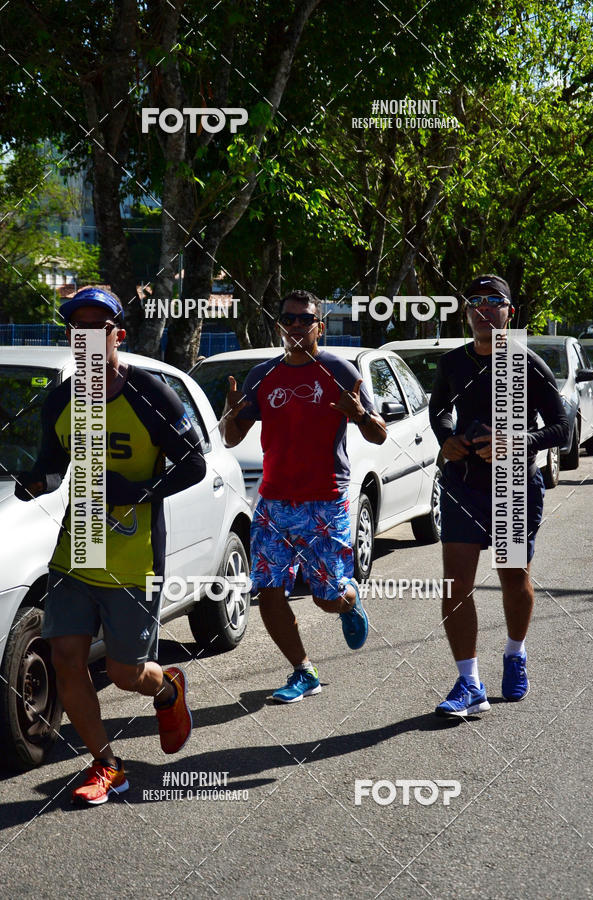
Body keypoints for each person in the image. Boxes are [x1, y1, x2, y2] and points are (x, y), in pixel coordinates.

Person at [14, 287, 206, 803]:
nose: (87, 339)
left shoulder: (149, 394)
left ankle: (167, 688)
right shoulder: (61, 398)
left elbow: (194, 464)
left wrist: (134, 491)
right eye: (78, 330)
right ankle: (106, 765)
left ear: (117, 334)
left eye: (98, 328)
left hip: (134, 552)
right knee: (67, 657)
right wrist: (32, 479)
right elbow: (53, 467)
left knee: (124, 674)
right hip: (80, 547)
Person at [219, 289, 386, 702]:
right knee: (269, 591)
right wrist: (231, 414)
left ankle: (348, 601)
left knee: (325, 598)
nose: (295, 327)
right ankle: (303, 671)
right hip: (274, 502)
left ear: (319, 326)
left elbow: (379, 434)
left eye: (304, 320)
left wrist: (360, 414)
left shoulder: (340, 372)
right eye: (288, 319)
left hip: (325, 502)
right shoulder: (262, 375)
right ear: (280, 325)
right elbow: (231, 436)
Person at [429, 274, 569, 717]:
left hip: (511, 485)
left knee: (513, 577)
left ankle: (515, 652)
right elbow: (439, 410)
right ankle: (469, 683)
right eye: (476, 302)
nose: (484, 310)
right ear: (466, 311)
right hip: (463, 484)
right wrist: (446, 438)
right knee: (455, 586)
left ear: (510, 313)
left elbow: (562, 427)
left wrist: (518, 442)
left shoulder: (523, 361)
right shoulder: (453, 363)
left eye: (495, 302)